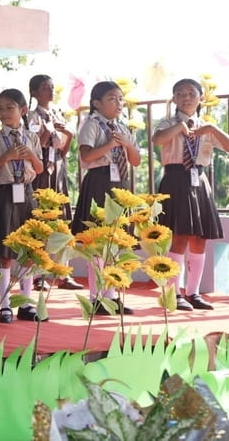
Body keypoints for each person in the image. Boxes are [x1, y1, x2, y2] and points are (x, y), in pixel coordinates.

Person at [151, 78, 229, 311]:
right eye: (180, 94)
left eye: (191, 93)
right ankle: (173, 293)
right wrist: (179, 128)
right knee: (179, 236)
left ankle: (193, 293)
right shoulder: (168, 122)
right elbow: (157, 140)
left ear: (200, 97)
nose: (186, 97)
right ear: (174, 99)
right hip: (175, 178)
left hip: (199, 179)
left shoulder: (205, 126)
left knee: (199, 237)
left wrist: (212, 128)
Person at [71, 80, 140, 316]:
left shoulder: (122, 126)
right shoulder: (90, 124)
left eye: (120, 99)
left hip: (120, 183)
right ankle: (96, 297)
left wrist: (127, 144)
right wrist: (110, 143)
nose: (119, 103)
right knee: (98, 242)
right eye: (112, 98)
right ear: (97, 103)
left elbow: (135, 160)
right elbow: (86, 156)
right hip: (99, 181)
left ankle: (111, 297)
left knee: (116, 242)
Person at [0, 89, 44, 323]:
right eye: (0, 108)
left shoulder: (32, 137)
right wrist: (5, 157)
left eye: (9, 107)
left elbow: (39, 169)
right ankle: (4, 305)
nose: (4, 112)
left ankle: (26, 304)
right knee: (5, 253)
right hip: (5, 194)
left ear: (23, 110)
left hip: (26, 193)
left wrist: (31, 156)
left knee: (28, 251)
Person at [28, 74, 82, 291]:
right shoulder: (31, 116)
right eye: (44, 87)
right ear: (33, 92)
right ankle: (38, 273)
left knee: (61, 220)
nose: (49, 91)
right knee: (41, 221)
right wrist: (47, 131)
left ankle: (62, 272)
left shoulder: (57, 112)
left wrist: (66, 132)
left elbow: (64, 149)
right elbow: (36, 145)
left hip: (57, 166)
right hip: (41, 168)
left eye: (51, 87)